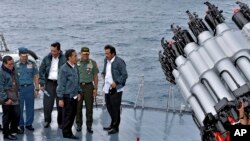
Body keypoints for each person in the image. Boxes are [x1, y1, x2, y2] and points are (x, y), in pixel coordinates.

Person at [39, 42, 66, 128]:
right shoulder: (46, 58)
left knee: (60, 104)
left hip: (60, 84)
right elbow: (41, 71)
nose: (52, 53)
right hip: (49, 83)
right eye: (51, 51)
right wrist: (42, 83)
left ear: (59, 50)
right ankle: (47, 120)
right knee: (47, 104)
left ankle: (60, 122)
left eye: (54, 51)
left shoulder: (64, 59)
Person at [102, 45, 128, 134]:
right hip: (106, 88)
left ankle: (115, 127)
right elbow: (105, 71)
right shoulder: (106, 60)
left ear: (113, 53)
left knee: (115, 108)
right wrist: (103, 74)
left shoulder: (119, 62)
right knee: (109, 107)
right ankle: (112, 124)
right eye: (105, 53)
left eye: (108, 53)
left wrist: (116, 83)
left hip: (116, 89)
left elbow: (125, 75)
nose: (106, 55)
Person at [57, 49, 81, 139]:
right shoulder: (63, 69)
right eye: (75, 56)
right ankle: (66, 133)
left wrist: (79, 92)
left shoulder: (75, 67)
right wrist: (60, 99)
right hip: (67, 96)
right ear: (69, 57)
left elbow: (78, 81)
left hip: (74, 95)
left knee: (72, 114)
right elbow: (61, 85)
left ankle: (68, 130)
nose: (76, 57)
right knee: (67, 115)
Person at [15, 47, 39, 132]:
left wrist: (37, 89)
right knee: (19, 108)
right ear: (19, 55)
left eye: (26, 56)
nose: (25, 57)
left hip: (29, 87)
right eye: (23, 56)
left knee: (30, 107)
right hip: (20, 89)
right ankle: (20, 124)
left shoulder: (32, 64)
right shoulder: (15, 65)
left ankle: (29, 124)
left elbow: (36, 76)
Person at [75, 47, 99, 133]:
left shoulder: (93, 63)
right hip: (78, 87)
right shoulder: (76, 62)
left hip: (89, 87)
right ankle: (78, 125)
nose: (86, 55)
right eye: (84, 54)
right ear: (80, 54)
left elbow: (95, 77)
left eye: (87, 54)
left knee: (89, 108)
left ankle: (89, 126)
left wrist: (95, 89)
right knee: (78, 108)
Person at [0, 56, 21, 140]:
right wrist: (5, 99)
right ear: (4, 64)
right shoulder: (1, 73)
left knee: (16, 114)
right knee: (7, 116)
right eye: (9, 64)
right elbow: (0, 88)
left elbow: (16, 80)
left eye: (13, 63)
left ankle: (14, 129)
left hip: (14, 95)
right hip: (6, 96)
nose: (12, 65)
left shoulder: (13, 69)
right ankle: (6, 133)